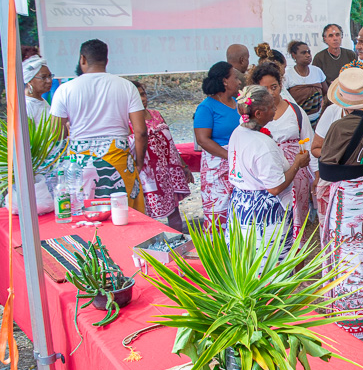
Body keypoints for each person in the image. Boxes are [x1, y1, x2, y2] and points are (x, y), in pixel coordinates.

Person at [313, 68, 363, 337]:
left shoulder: (338, 127)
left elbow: (327, 170)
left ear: (342, 103)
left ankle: (351, 321)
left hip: (348, 201)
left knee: (348, 256)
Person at [49, 39, 146, 210]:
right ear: (107, 61)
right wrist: (138, 162)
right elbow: (140, 132)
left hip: (81, 164)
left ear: (82, 59)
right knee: (126, 216)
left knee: (86, 215)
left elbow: (56, 134)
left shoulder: (65, 89)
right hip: (119, 160)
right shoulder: (126, 87)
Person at [227, 85, 311, 261]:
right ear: (258, 113)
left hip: (241, 206)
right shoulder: (263, 144)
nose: (275, 110)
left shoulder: (237, 133)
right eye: (271, 107)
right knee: (269, 264)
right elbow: (275, 187)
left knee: (248, 260)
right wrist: (297, 164)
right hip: (264, 214)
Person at [249, 61, 317, 235]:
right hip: (266, 177)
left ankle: (297, 261)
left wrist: (316, 176)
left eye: (274, 87)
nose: (271, 93)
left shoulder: (295, 111)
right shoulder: (251, 116)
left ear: (281, 85)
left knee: (297, 226)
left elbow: (309, 144)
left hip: (297, 177)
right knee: (271, 226)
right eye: (265, 89)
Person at [129, 81, 193, 231]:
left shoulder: (156, 115)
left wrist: (183, 166)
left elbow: (171, 143)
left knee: (174, 210)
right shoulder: (127, 121)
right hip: (147, 176)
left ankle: (179, 241)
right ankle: (151, 247)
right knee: (147, 215)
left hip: (167, 171)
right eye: (137, 96)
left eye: (143, 94)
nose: (142, 99)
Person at [194, 61, 242, 227]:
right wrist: (229, 156)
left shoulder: (239, 103)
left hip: (239, 162)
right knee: (219, 213)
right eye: (236, 78)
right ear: (225, 81)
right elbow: (203, 139)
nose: (239, 82)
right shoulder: (206, 107)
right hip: (218, 167)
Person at [284, 40, 326, 124]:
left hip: (318, 120)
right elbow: (285, 101)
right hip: (297, 121)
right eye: (303, 53)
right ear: (294, 55)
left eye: (309, 52)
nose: (308, 55)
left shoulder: (317, 71)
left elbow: (326, 93)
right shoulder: (287, 75)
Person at [23, 56, 53, 126]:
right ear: (29, 80)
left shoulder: (41, 101)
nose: (49, 81)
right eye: (43, 77)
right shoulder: (27, 105)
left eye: (50, 76)